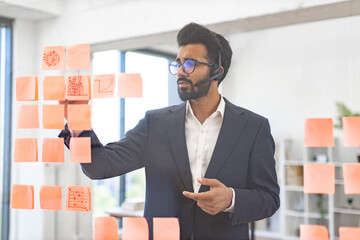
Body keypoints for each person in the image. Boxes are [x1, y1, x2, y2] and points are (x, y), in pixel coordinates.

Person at [60, 22, 280, 240]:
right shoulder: (155, 123)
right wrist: (79, 127)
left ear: (217, 72)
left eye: (190, 64)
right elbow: (100, 166)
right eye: (178, 64)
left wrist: (231, 199)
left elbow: (269, 198)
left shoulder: (253, 127)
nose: (180, 72)